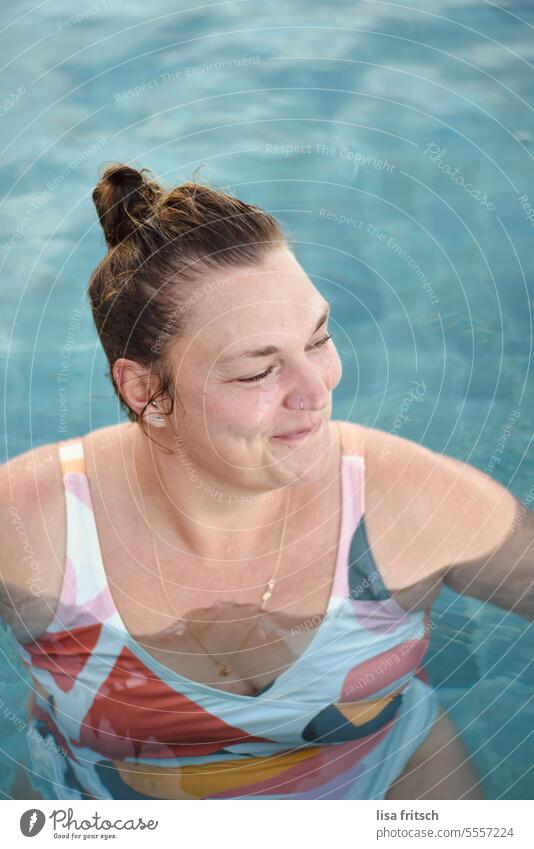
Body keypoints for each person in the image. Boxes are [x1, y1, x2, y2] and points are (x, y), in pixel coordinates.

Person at [1, 164, 532, 800]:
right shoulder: (36, 529)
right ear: (144, 390)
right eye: (257, 372)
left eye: (320, 339)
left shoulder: (410, 503)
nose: (318, 390)